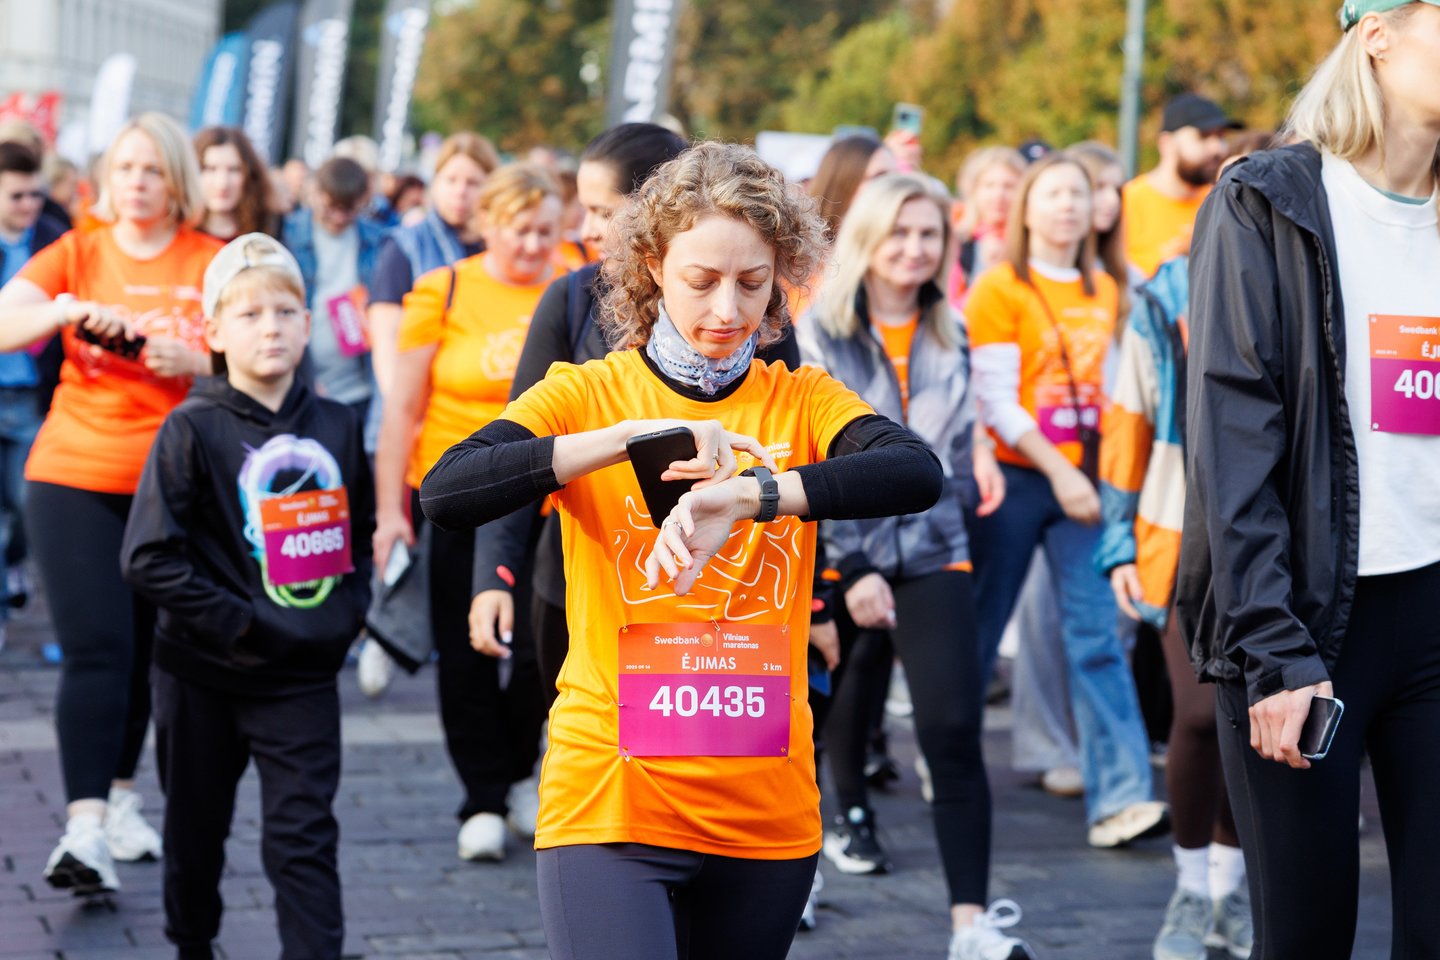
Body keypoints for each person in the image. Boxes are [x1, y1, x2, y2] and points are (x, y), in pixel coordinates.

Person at [418, 140, 942, 960]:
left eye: (754, 282)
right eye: (701, 281)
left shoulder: (799, 399)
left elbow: (913, 472)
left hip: (764, 806)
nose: (728, 310)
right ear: (654, 265)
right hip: (612, 797)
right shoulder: (589, 391)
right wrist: (618, 441)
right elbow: (449, 489)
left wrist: (755, 493)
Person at [1178, 3, 1440, 956]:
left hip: (1433, 607)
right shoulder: (1268, 199)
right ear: (1377, 35)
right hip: (1302, 619)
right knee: (1307, 932)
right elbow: (1232, 442)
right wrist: (1276, 650)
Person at [799, 172, 1032, 960]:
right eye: (899, 232)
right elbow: (810, 457)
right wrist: (853, 565)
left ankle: (971, 924)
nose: (914, 248)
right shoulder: (819, 335)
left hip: (936, 550)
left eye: (929, 233)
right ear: (866, 237)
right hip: (838, 552)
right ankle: (799, 870)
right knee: (820, 719)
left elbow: (956, 445)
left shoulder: (950, 329)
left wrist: (976, 475)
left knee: (952, 728)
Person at [120, 234, 372, 960]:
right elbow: (146, 556)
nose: (271, 326)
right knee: (195, 832)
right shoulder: (190, 427)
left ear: (307, 322)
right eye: (251, 314)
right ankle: (191, 943)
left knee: (304, 837)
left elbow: (359, 531)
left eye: (286, 310)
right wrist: (241, 622)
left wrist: (346, 612)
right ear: (215, 333)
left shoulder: (339, 424)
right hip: (202, 674)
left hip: (302, 678)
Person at [0, 112, 222, 894]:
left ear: (176, 183)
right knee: (98, 650)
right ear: (105, 177)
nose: (136, 182)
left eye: (152, 170)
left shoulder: (214, 258)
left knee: (151, 654)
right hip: (72, 472)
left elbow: (271, 355)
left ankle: (124, 798)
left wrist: (194, 358)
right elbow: (3, 321)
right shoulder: (78, 249)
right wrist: (61, 312)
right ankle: (85, 827)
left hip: (178, 485)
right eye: (125, 168)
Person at [967, 152, 1166, 849]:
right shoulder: (999, 288)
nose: (1067, 207)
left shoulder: (1113, 286)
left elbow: (1122, 394)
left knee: (1097, 637)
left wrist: (1107, 482)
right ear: (1026, 207)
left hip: (1090, 480)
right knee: (979, 632)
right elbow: (994, 399)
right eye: (1052, 194)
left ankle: (1122, 798)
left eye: (1078, 195)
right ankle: (949, 761)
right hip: (1023, 477)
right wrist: (1061, 473)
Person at [372, 163, 564, 862]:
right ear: (488, 224)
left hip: (548, 495)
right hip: (459, 495)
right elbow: (402, 407)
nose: (535, 244)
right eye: (521, 229)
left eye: (548, 230)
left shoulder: (571, 287)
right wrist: (390, 510)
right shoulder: (444, 289)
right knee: (467, 651)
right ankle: (481, 794)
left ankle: (519, 770)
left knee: (545, 647)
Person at [469, 124, 696, 706]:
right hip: (578, 573)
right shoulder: (571, 299)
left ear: (654, 208)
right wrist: (494, 575)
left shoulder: (740, 308)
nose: (584, 228)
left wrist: (816, 597)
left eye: (600, 210)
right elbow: (515, 450)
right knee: (587, 746)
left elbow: (787, 448)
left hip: (709, 578)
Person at [357, 130, 500, 696]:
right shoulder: (406, 247)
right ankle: (383, 631)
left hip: (473, 437)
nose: (462, 193)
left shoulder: (496, 249)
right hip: (410, 425)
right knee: (399, 540)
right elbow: (386, 343)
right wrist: (410, 410)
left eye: (473, 182)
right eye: (452, 179)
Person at [0, 142, 66, 636]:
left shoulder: (54, 240)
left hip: (31, 397)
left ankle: (16, 560)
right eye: (17, 195)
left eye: (36, 194)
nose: (29, 205)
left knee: (26, 505)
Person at [281, 156, 388, 431]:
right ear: (315, 193)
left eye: (350, 209)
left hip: (360, 388)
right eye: (332, 207)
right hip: (301, 384)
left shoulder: (379, 240)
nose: (340, 217)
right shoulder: (288, 233)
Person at [1121, 94, 1236, 277]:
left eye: (1221, 137)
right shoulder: (1127, 201)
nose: (1218, 148)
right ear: (1166, 143)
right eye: (1203, 136)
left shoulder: (1223, 201)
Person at [950, 146, 1026, 305]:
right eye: (989, 185)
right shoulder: (957, 242)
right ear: (974, 190)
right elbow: (949, 308)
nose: (998, 195)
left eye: (1009, 186)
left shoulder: (1031, 243)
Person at [194, 127, 277, 242]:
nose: (222, 183)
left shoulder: (271, 231)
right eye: (211, 169)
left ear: (249, 175)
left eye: (234, 170)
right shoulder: (176, 234)